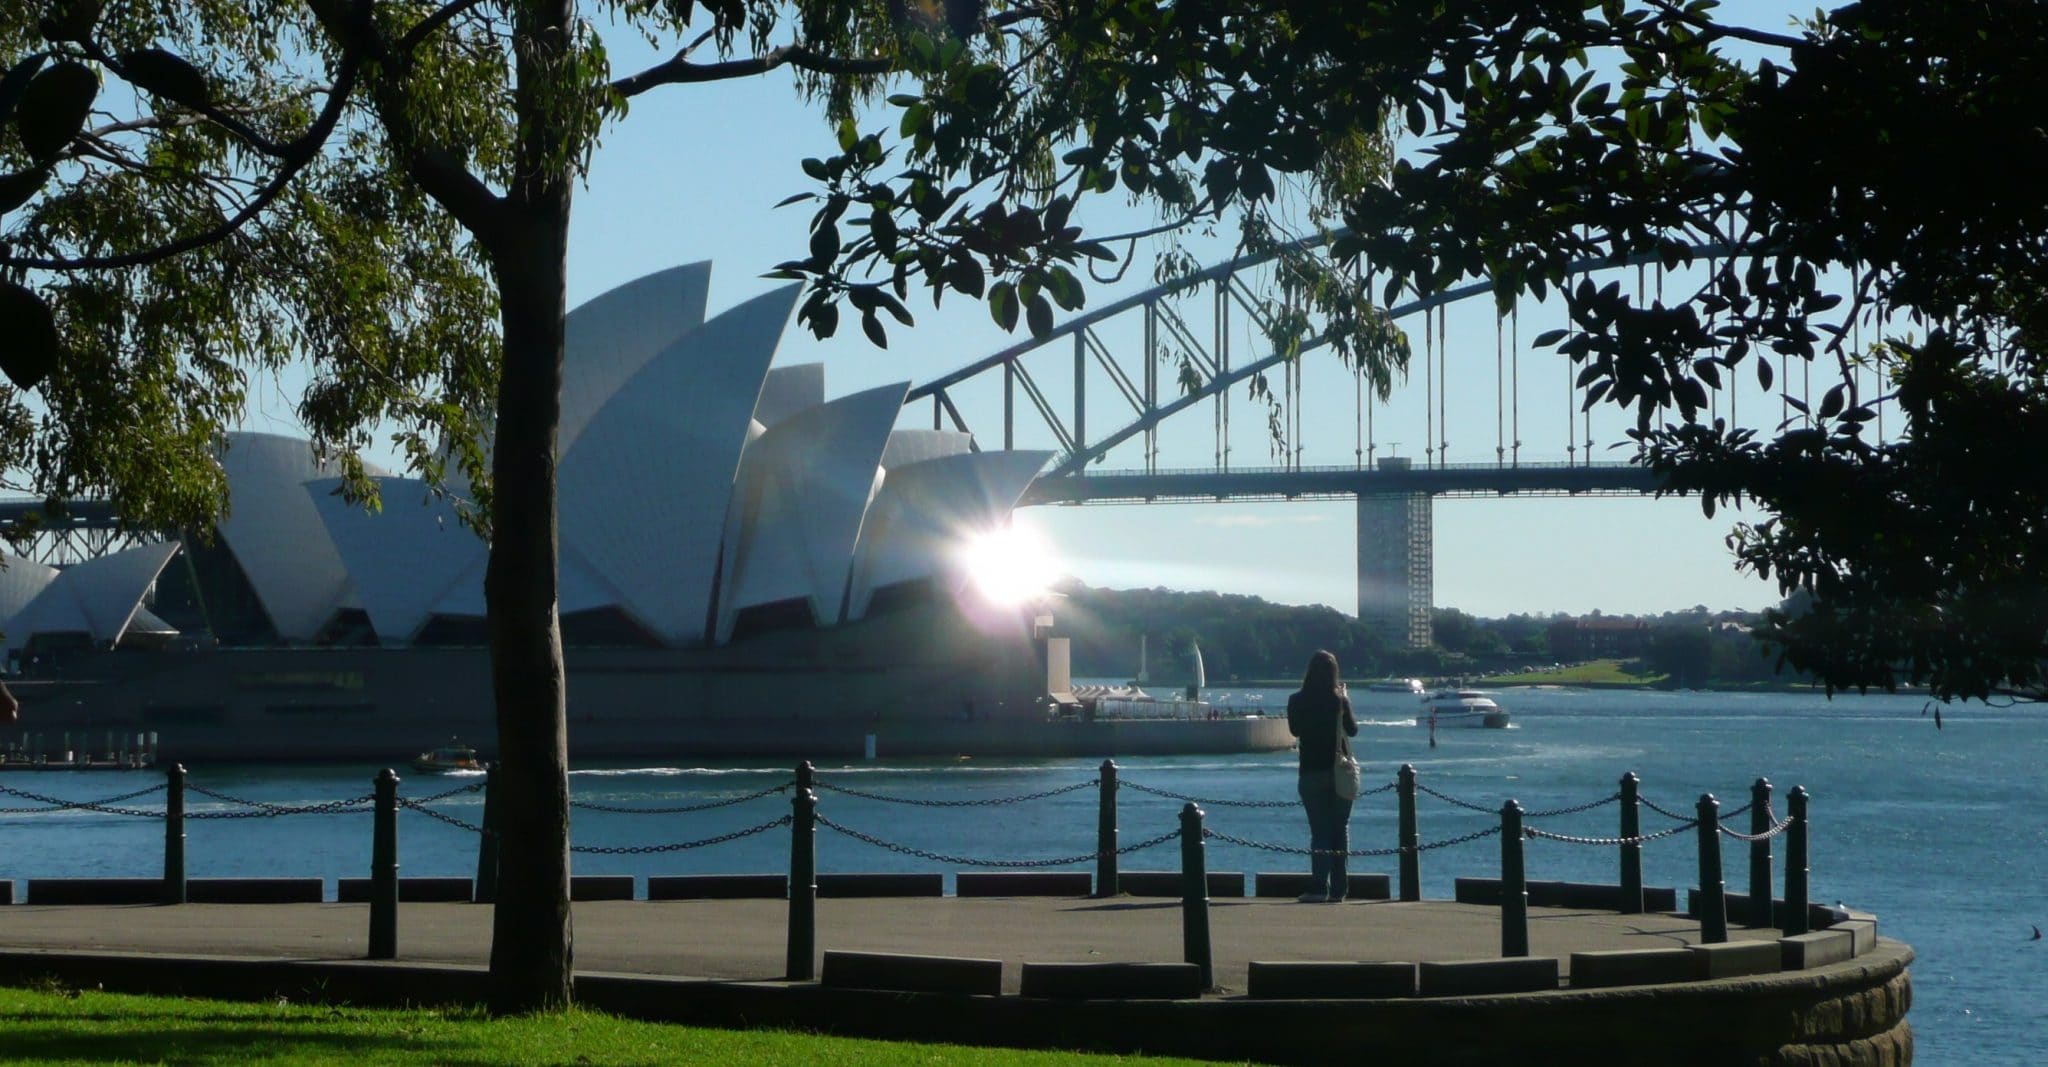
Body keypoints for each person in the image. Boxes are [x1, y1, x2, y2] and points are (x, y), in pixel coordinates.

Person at [1286, 649, 1358, 903]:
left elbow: (1294, 729)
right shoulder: (1339, 700)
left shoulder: (1296, 700)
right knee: (1340, 828)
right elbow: (1353, 730)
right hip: (1340, 769)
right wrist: (1344, 700)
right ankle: (1339, 889)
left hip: (1310, 770)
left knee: (1319, 830)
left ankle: (1318, 887)